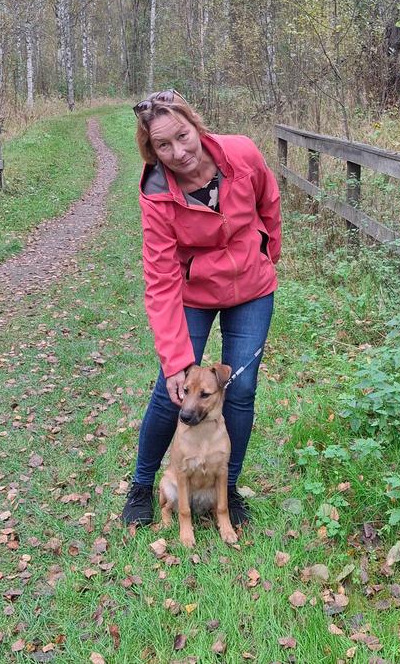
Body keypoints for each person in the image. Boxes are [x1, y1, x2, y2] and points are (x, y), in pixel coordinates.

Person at [121, 90, 282, 528]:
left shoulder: (241, 154)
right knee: (171, 388)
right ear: (151, 150)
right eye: (163, 145)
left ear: (196, 125)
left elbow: (269, 200)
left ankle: (228, 486)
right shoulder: (157, 194)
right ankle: (141, 485)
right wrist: (175, 360)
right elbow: (160, 279)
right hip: (193, 293)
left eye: (182, 136)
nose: (178, 152)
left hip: (251, 287)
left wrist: (268, 250)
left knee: (241, 389)